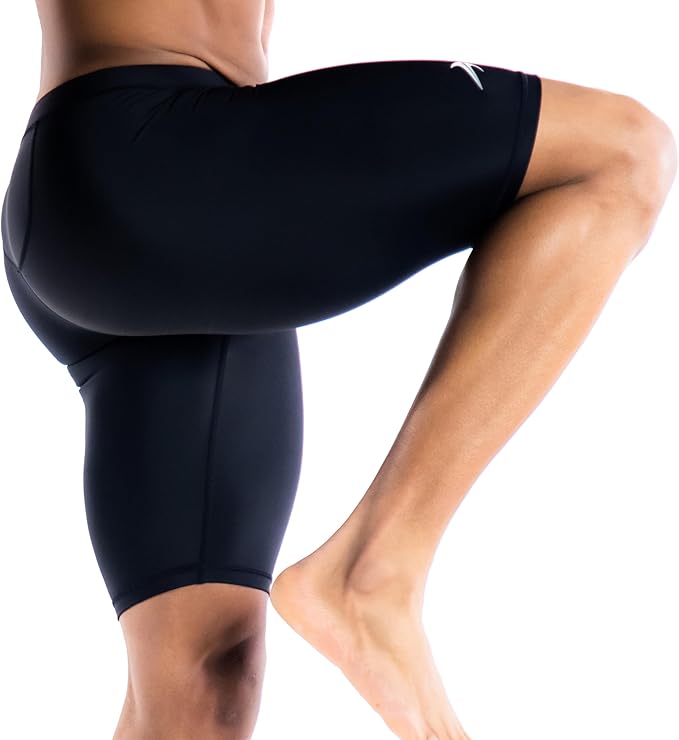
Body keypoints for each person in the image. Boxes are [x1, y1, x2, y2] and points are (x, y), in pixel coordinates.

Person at [1, 1, 676, 739]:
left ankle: (368, 581)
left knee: (206, 685)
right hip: (149, 161)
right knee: (619, 151)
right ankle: (375, 572)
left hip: (169, 209)